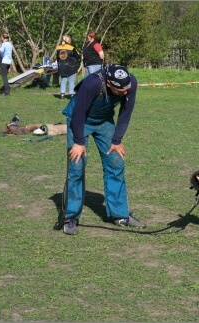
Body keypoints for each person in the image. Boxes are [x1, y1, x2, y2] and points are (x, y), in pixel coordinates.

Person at [60, 64, 146, 235]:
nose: (125, 92)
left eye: (127, 87)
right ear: (109, 84)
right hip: (80, 121)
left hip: (104, 122)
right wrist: (78, 142)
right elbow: (78, 112)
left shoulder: (130, 84)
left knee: (116, 163)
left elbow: (126, 112)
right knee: (77, 166)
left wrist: (117, 140)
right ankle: (71, 217)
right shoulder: (92, 83)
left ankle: (120, 215)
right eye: (120, 89)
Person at [56, 34, 80, 99]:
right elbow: (77, 57)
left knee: (63, 80)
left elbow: (58, 58)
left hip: (62, 66)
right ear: (69, 40)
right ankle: (71, 94)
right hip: (71, 66)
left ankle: (62, 94)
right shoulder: (71, 48)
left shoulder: (59, 48)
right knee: (71, 81)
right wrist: (79, 55)